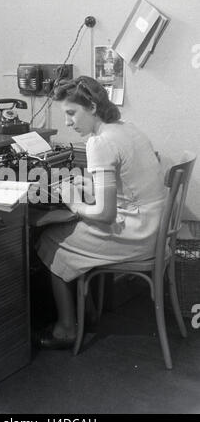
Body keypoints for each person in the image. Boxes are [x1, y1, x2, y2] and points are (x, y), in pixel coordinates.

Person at [35, 75, 166, 349]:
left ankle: (67, 328)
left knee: (49, 240)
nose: (68, 122)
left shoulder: (99, 143)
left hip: (135, 234)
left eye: (71, 113)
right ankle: (89, 312)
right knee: (68, 231)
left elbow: (106, 215)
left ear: (92, 107)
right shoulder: (126, 128)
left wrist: (73, 202)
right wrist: (90, 185)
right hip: (152, 227)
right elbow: (127, 187)